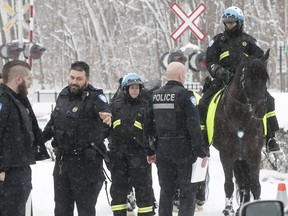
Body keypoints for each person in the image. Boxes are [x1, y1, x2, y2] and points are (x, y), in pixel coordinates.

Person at [200, 6, 281, 153]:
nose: (229, 25)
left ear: (240, 22)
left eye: (232, 22)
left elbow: (260, 60)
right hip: (223, 80)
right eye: (227, 22)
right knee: (203, 102)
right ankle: (203, 138)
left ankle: (270, 138)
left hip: (247, 83)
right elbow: (210, 62)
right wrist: (221, 72)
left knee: (268, 100)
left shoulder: (249, 41)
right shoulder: (217, 41)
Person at [42, 61, 111, 216]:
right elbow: (54, 122)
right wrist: (38, 140)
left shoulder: (95, 96)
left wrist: (106, 115)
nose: (74, 81)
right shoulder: (64, 94)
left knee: (85, 210)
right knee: (61, 209)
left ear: (87, 79)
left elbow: (104, 109)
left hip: (86, 165)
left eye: (79, 79)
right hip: (63, 163)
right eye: (72, 77)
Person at [145, 62, 209, 216]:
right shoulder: (185, 96)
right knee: (187, 192)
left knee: (166, 191)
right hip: (183, 151)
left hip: (163, 150)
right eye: (185, 74)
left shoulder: (155, 96)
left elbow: (146, 126)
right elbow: (194, 126)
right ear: (181, 75)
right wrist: (201, 152)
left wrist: (150, 151)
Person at [0, 60, 50, 216]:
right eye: (28, 78)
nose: (30, 83)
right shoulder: (3, 99)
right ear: (18, 79)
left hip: (19, 169)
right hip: (8, 174)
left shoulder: (18, 99)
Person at [109, 72, 155, 216]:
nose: (134, 90)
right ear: (125, 89)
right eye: (131, 87)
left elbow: (154, 128)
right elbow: (104, 128)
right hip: (118, 156)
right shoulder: (115, 106)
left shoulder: (147, 105)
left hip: (140, 155)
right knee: (118, 190)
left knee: (144, 190)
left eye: (137, 87)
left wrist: (151, 148)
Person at [167, 50, 208, 210]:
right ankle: (179, 199)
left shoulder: (194, 96)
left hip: (192, 144)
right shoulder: (184, 95)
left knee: (196, 175)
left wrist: (204, 143)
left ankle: (199, 196)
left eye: (183, 63)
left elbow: (201, 122)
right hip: (180, 145)